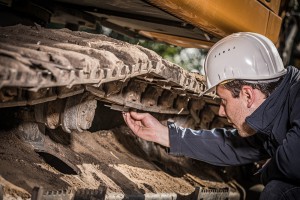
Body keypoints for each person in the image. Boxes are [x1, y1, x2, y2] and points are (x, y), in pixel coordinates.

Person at [123, 32, 300, 199]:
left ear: (247, 95)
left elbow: (293, 160)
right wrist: (163, 134)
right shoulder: (271, 115)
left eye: (224, 101)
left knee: (277, 191)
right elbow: (233, 146)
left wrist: (269, 170)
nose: (221, 111)